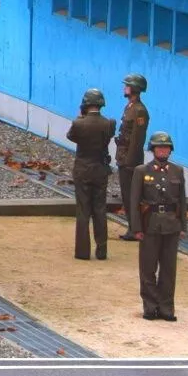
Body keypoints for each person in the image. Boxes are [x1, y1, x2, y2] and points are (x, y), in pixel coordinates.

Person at [129, 132, 186, 321]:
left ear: (170, 151)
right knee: (148, 268)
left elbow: (182, 202)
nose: (163, 150)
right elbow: (135, 201)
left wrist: (183, 226)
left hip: (171, 225)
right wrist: (136, 228)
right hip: (150, 224)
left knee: (169, 269)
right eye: (159, 147)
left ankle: (166, 307)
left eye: (166, 147)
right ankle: (150, 306)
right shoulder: (142, 171)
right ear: (153, 150)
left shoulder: (177, 171)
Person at [67, 89, 115, 260]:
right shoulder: (108, 123)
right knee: (100, 210)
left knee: (83, 211)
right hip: (100, 170)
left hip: (82, 170)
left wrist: (80, 117)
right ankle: (102, 250)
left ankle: (82, 251)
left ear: (85, 104)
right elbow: (108, 137)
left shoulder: (79, 124)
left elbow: (71, 136)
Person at [117, 73, 150, 242]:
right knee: (126, 195)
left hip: (130, 161)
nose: (125, 87)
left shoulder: (139, 111)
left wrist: (129, 162)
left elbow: (137, 140)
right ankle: (132, 227)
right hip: (123, 158)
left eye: (127, 85)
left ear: (134, 88)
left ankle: (135, 229)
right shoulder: (130, 107)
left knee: (132, 196)